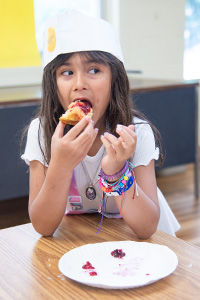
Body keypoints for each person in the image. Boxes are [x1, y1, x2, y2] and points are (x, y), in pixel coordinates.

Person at [21, 10, 180, 237]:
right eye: (67, 72)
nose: (79, 84)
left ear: (114, 79)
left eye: (94, 70)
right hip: (75, 236)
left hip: (130, 236)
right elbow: (43, 226)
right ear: (53, 84)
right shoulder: (43, 132)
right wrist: (61, 165)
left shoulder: (135, 133)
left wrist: (117, 171)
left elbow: (146, 229)